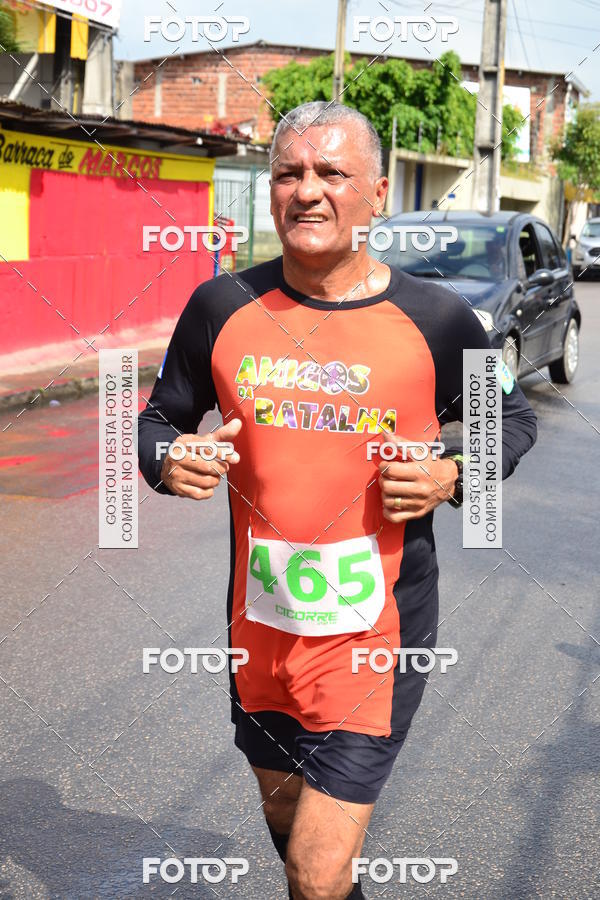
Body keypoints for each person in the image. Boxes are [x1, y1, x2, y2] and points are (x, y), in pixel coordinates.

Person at [137, 101, 537, 900]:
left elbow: (513, 419)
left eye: (332, 173)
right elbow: (154, 423)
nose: (306, 191)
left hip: (375, 637)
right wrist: (163, 459)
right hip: (260, 631)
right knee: (291, 840)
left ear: (377, 193)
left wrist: (453, 475)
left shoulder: (440, 319)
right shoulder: (220, 307)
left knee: (317, 871)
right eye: (289, 173)